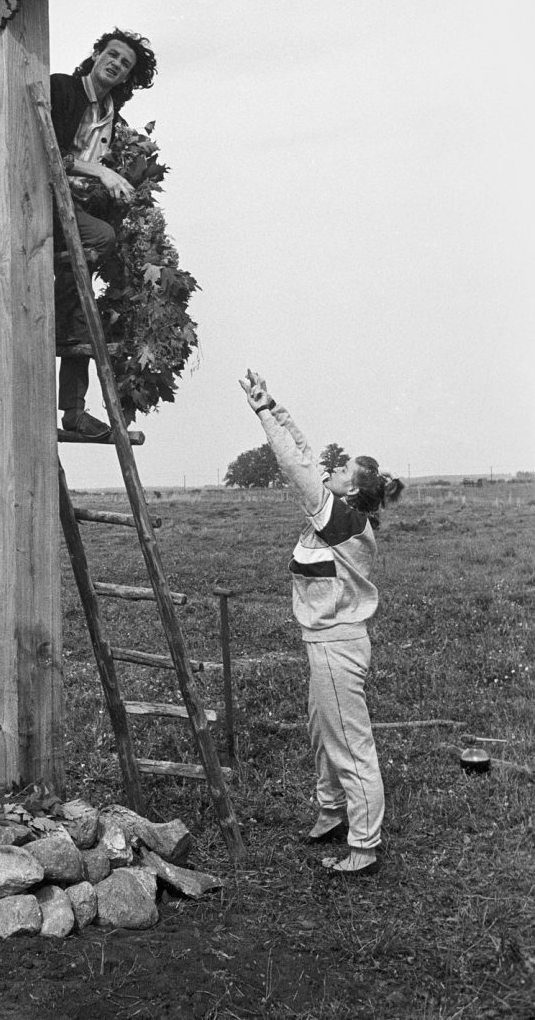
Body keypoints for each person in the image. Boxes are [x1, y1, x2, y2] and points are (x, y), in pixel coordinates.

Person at [239, 369, 404, 877]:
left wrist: (262, 416)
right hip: (324, 642)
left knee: (349, 744)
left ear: (352, 491)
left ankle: (364, 844)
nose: (330, 469)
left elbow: (296, 464)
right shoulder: (339, 514)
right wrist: (276, 405)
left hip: (336, 644)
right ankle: (332, 811)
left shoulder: (343, 521)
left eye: (342, 469)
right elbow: (308, 455)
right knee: (320, 732)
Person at [49, 28, 158, 438]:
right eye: (111, 55)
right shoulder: (63, 89)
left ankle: (75, 412)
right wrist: (100, 170)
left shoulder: (114, 118)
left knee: (83, 310)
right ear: (96, 54)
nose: (115, 64)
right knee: (103, 239)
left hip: (75, 208)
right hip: (44, 202)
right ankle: (73, 409)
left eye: (125, 64)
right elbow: (50, 150)